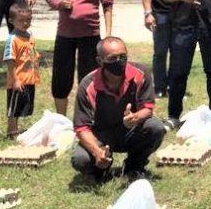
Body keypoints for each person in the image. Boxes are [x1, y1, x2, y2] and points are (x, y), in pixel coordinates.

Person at [71, 37, 166, 180]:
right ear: (100, 61)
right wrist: (97, 152)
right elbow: (81, 128)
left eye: (123, 56)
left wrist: (135, 118)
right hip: (101, 135)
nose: (119, 61)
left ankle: (134, 167)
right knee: (81, 159)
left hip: (131, 131)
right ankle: (101, 168)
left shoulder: (140, 73)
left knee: (156, 127)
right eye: (112, 58)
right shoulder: (88, 85)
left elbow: (147, 108)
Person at [46, 0, 114, 115]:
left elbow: (108, 4)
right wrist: (61, 3)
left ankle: (86, 119)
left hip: (90, 34)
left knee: (89, 79)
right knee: (61, 79)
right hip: (65, 34)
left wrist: (108, 35)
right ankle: (61, 119)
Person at [4, 2, 40, 139]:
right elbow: (9, 60)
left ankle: (18, 131)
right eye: (21, 20)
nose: (25, 23)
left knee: (23, 107)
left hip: (29, 79)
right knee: (14, 109)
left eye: (28, 20)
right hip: (18, 81)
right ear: (11, 21)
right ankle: (11, 132)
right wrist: (15, 80)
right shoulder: (12, 39)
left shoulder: (30, 35)